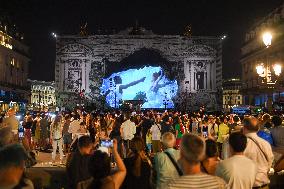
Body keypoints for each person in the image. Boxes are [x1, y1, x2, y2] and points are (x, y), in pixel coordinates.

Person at [243, 117, 274, 188]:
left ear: (244, 128)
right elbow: (270, 161)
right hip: (263, 185)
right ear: (258, 128)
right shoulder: (265, 143)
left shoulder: (241, 144)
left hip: (246, 185)